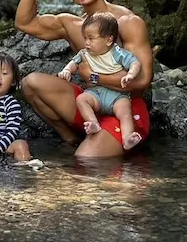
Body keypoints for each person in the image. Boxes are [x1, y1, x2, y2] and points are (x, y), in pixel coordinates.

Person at [14, 0, 153, 158]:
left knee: (84, 162)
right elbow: (23, 23)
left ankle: (103, 143)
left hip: (125, 112)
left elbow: (141, 81)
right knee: (30, 83)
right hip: (92, 106)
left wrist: (94, 77)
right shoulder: (72, 25)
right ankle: (72, 139)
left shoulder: (127, 22)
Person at [58, 11, 143, 150]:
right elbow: (74, 63)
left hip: (117, 96)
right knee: (82, 99)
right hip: (95, 93)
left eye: (91, 38)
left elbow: (135, 63)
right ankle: (93, 123)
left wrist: (130, 75)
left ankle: (127, 138)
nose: (86, 42)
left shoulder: (117, 53)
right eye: (85, 38)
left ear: (109, 40)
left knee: (125, 111)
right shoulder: (85, 53)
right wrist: (67, 71)